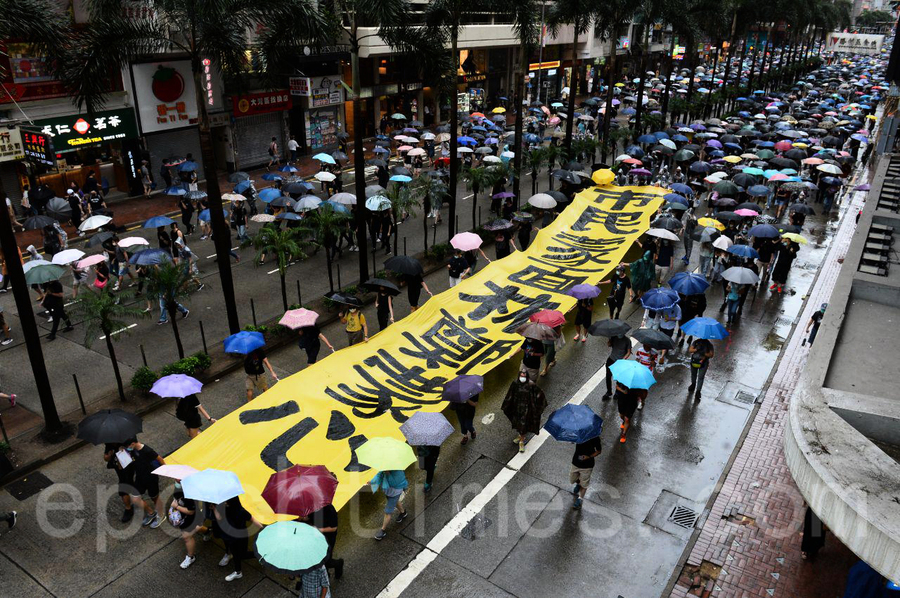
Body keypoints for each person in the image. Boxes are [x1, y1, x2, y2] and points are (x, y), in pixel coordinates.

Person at [125, 437, 166, 529]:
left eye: (127, 446)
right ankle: (151, 513)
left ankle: (161, 515)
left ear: (132, 444)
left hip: (151, 477)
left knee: (154, 497)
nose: (127, 448)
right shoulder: (132, 450)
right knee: (135, 498)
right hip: (140, 477)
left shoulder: (147, 450)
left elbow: (160, 459)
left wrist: (166, 470)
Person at [502, 373, 547, 452]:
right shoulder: (515, 383)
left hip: (527, 410)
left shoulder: (531, 385)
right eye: (521, 376)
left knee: (523, 425)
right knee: (518, 424)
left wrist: (536, 406)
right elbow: (510, 394)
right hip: (517, 408)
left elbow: (540, 395)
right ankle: (520, 436)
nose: (522, 378)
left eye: (524, 376)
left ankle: (521, 441)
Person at [214, 496, 255, 581]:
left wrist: (262, 529)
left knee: (241, 554)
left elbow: (253, 520)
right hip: (230, 535)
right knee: (235, 553)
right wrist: (214, 508)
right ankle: (238, 571)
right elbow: (219, 518)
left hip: (240, 536)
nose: (224, 502)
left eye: (226, 501)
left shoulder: (241, 512)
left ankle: (258, 555)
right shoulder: (226, 508)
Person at [171, 482, 208, 569]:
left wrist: (176, 506)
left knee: (187, 537)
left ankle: (190, 557)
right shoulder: (179, 485)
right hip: (186, 517)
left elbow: (191, 511)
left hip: (190, 518)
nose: (176, 479)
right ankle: (207, 531)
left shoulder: (190, 494)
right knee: (197, 527)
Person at [305, 503, 344, 578]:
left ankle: (338, 564)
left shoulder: (330, 508)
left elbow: (333, 528)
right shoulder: (311, 506)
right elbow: (310, 517)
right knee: (319, 559)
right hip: (316, 537)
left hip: (328, 538)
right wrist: (304, 518)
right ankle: (326, 576)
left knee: (326, 560)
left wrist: (318, 530)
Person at [370, 470, 409, 540]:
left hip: (395, 492)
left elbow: (393, 483)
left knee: (387, 512)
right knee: (396, 502)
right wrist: (372, 481)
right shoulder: (385, 468)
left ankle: (382, 530)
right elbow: (379, 475)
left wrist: (387, 474)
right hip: (388, 491)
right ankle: (403, 513)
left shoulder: (398, 472)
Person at [103, 442, 135, 522]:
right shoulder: (109, 443)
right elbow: (106, 457)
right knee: (127, 483)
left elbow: (133, 447)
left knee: (124, 487)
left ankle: (129, 508)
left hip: (129, 465)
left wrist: (125, 449)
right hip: (119, 468)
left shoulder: (128, 438)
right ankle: (133, 501)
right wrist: (109, 455)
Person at [570, 435, 602, 509]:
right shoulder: (579, 433)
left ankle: (580, 499)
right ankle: (578, 483)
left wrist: (589, 457)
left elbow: (599, 451)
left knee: (584, 484)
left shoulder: (595, 437)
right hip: (576, 462)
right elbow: (572, 441)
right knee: (572, 479)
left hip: (587, 465)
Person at [602, 334, 632, 401]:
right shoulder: (613, 337)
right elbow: (609, 345)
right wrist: (609, 341)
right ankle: (609, 391)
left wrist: (623, 359)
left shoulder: (627, 340)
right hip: (611, 359)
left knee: (618, 378)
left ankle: (617, 392)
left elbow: (629, 352)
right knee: (608, 376)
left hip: (620, 362)